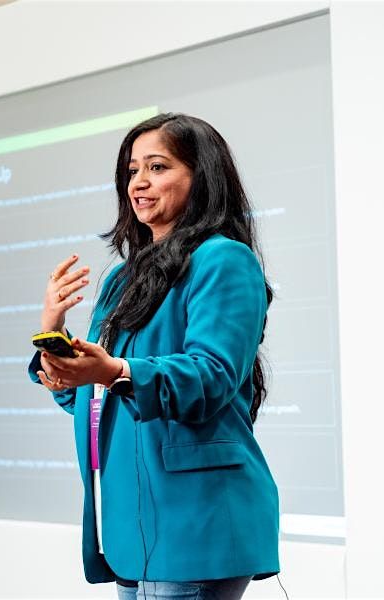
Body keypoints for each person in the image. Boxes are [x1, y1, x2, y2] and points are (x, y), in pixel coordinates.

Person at [27, 113, 280, 600]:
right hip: (134, 523)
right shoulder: (122, 280)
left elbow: (211, 376)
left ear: (201, 176)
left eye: (157, 167)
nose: (138, 183)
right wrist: (54, 337)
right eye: (131, 170)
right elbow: (94, 398)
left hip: (195, 520)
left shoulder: (224, 259)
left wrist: (114, 370)